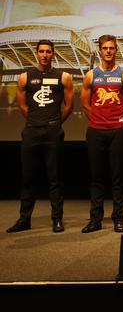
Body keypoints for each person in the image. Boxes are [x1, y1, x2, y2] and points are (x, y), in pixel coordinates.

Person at [6, 40, 73, 233]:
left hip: (53, 132)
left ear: (53, 54)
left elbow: (69, 106)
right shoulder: (25, 77)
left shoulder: (64, 76)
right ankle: (24, 220)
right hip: (31, 132)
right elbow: (22, 105)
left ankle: (57, 220)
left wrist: (55, 123)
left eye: (48, 52)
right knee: (28, 178)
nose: (44, 55)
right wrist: (35, 121)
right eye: (41, 51)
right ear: (36, 53)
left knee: (55, 179)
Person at [80, 34, 123, 233]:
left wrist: (119, 121)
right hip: (95, 131)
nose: (109, 51)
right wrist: (97, 120)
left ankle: (118, 218)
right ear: (100, 51)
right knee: (96, 177)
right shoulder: (91, 75)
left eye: (112, 48)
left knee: (117, 177)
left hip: (118, 132)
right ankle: (95, 219)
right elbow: (85, 104)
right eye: (105, 48)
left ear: (116, 50)